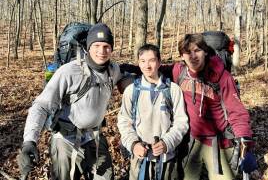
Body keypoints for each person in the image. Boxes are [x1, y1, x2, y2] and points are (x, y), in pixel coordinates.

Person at [120, 33, 255, 180]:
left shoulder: (221, 76)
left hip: (218, 141)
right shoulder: (180, 71)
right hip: (191, 140)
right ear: (182, 56)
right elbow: (153, 68)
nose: (193, 56)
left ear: (205, 52)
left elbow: (237, 111)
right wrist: (130, 69)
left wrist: (245, 143)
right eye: (187, 52)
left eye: (197, 50)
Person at [18, 23, 124, 180]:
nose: (101, 51)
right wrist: (29, 141)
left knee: (106, 176)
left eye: (106, 46)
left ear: (112, 48)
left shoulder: (113, 70)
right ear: (88, 47)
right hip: (65, 141)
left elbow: (131, 77)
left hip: (93, 137)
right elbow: (41, 106)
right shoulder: (69, 71)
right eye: (97, 45)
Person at [117, 44, 189, 180]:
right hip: (139, 158)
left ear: (159, 62)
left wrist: (167, 142)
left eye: (152, 60)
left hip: (167, 158)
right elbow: (124, 121)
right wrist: (133, 144)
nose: (147, 66)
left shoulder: (173, 90)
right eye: (143, 61)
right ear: (138, 63)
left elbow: (181, 122)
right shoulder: (131, 91)